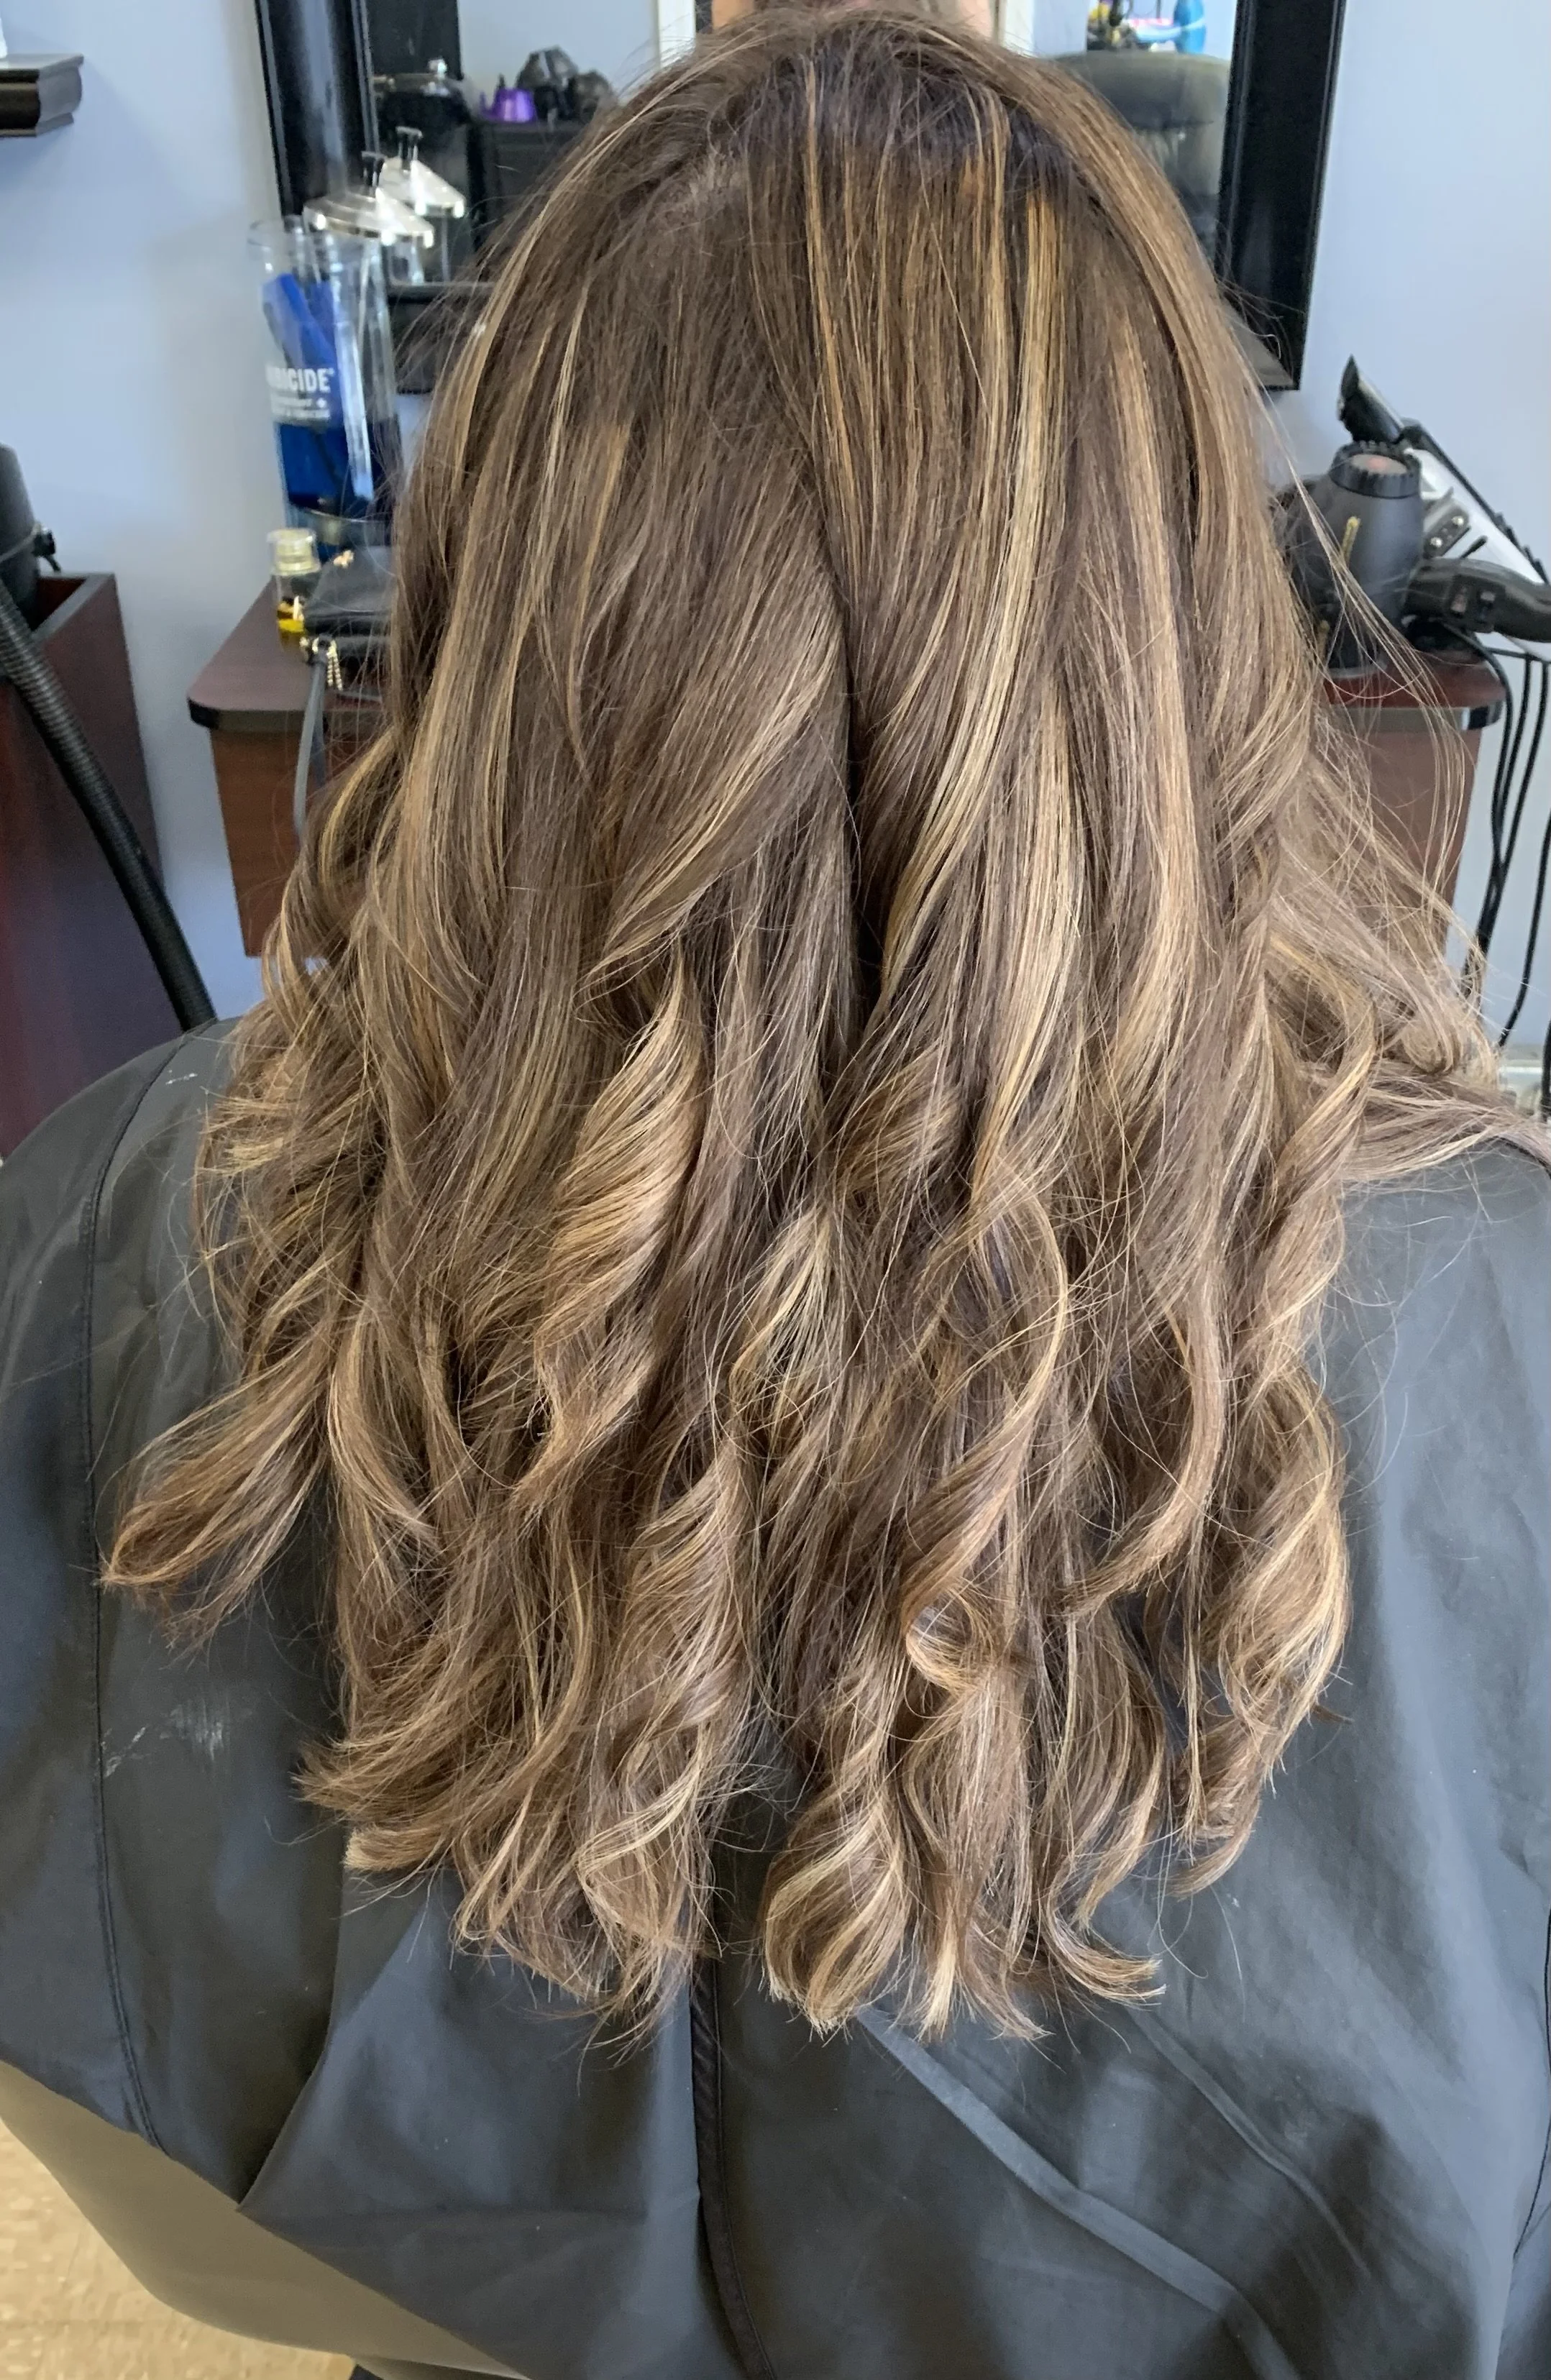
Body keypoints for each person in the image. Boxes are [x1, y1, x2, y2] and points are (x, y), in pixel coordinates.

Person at [0, 13, 1546, 2379]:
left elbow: (108, 2069)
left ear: (507, 596)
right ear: (1175, 621)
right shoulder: (1502, 1328)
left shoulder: (137, 1191)